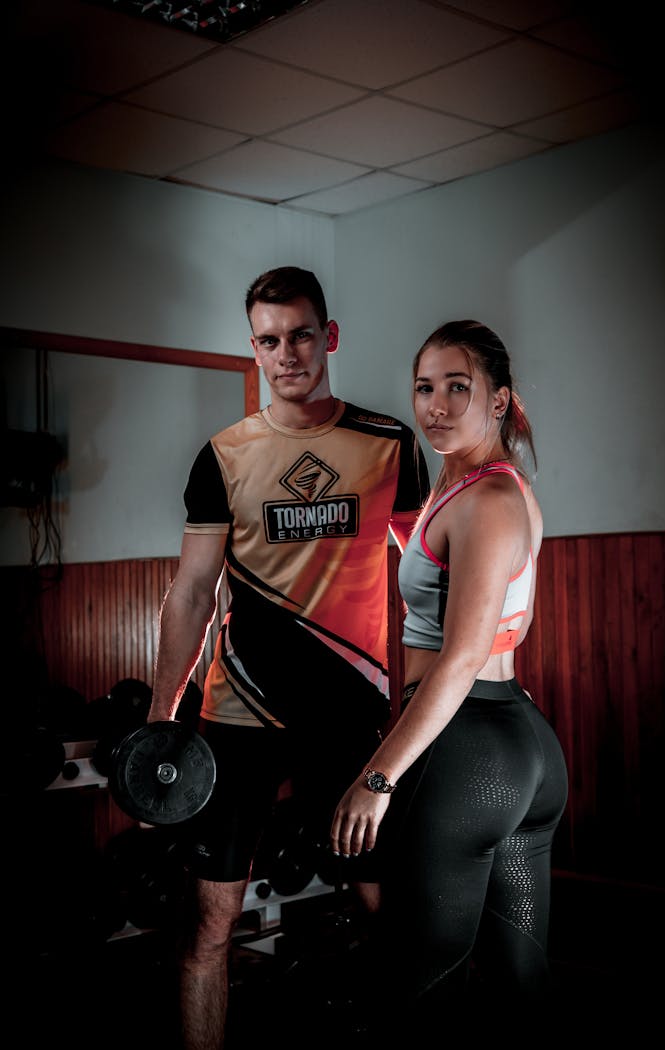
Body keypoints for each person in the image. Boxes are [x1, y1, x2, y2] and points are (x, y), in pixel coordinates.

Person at [146, 265, 430, 1050]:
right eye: (269, 340)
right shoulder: (224, 455)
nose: (287, 353)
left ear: (328, 336)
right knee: (209, 925)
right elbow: (192, 590)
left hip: (350, 712)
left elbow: (430, 573)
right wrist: (160, 714)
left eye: (301, 334)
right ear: (254, 350)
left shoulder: (387, 446)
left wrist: (460, 672)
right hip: (239, 712)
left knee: (388, 909)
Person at [331, 319, 569, 1033]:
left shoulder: (489, 503)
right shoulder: (475, 491)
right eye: (424, 388)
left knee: (415, 987)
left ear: (499, 401)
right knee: (515, 987)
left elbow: (462, 656)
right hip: (515, 747)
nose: (435, 405)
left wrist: (379, 777)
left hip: (469, 752)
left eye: (457, 388)